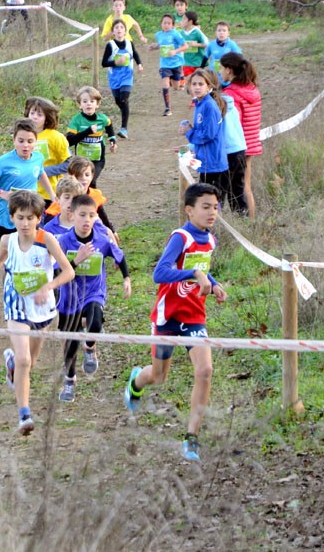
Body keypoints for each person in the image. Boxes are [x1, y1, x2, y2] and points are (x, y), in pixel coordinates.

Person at [124, 182, 228, 462]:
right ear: (189, 210)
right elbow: (160, 273)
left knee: (205, 370)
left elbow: (203, 270)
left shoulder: (211, 240)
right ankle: (136, 381)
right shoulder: (180, 237)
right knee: (158, 376)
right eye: (205, 207)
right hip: (166, 316)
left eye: (215, 208)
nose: (212, 213)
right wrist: (193, 272)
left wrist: (214, 284)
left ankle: (191, 437)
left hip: (194, 316)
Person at [0, 191, 74, 436]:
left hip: (42, 306)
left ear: (39, 218)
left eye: (30, 218)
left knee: (30, 361)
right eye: (20, 218)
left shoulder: (47, 240)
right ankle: (24, 414)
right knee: (25, 360)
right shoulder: (8, 241)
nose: (25, 223)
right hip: (15, 302)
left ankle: (11, 362)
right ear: (12, 218)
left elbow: (68, 272)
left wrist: (48, 286)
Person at [55, 194, 131, 402]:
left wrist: (126, 278)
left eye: (91, 215)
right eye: (82, 215)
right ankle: (69, 380)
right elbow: (55, 274)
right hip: (70, 298)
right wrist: (76, 261)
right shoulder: (63, 242)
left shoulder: (101, 239)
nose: (87, 220)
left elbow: (120, 255)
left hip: (93, 293)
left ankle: (90, 345)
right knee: (70, 343)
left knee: (95, 320)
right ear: (71, 216)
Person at [0, 118, 55, 243]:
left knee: (29, 254)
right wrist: (4, 195)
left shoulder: (38, 157)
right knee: (9, 258)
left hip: (30, 216)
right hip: (6, 219)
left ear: (36, 141)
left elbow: (40, 173)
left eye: (30, 141)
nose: (25, 145)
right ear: (14, 140)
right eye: (21, 141)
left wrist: (52, 194)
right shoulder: (3, 162)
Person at [220, 52, 262, 218]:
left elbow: (232, 123)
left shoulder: (231, 94)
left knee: (239, 187)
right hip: (251, 143)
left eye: (221, 68)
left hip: (237, 145)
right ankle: (251, 223)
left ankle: (248, 223)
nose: (220, 71)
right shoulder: (252, 89)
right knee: (246, 186)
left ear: (229, 70)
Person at [42, 157, 117, 239]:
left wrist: (112, 231)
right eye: (79, 175)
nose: (83, 178)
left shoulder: (95, 195)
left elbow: (102, 216)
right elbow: (48, 224)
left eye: (87, 175)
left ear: (92, 176)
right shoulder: (60, 204)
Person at [180, 69, 228, 193]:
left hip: (213, 163)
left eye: (201, 84)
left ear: (208, 86)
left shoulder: (209, 106)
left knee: (211, 201)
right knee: (204, 198)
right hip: (204, 161)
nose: (197, 87)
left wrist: (189, 132)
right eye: (194, 84)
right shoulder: (199, 104)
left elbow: (208, 134)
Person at [65, 86, 117, 187]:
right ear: (80, 105)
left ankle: (96, 202)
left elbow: (109, 125)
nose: (88, 103)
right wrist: (87, 131)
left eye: (92, 101)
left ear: (97, 104)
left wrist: (112, 140)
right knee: (81, 184)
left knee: (91, 181)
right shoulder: (76, 120)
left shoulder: (102, 119)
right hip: (81, 160)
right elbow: (70, 141)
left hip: (98, 159)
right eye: (85, 101)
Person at [23, 96, 70, 208]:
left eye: (39, 115)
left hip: (49, 192)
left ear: (47, 118)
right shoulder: (23, 135)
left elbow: (69, 164)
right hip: (27, 190)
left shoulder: (55, 137)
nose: (34, 117)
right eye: (32, 113)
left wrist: (44, 172)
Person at [101, 19, 143, 139]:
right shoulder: (110, 45)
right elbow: (104, 63)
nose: (119, 30)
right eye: (116, 28)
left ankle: (124, 128)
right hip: (114, 78)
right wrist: (115, 62)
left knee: (124, 99)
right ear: (113, 32)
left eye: (121, 28)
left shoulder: (129, 43)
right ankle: (125, 111)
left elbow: (135, 54)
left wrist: (139, 64)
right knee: (118, 101)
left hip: (127, 76)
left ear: (125, 31)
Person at [148, 15, 189, 117]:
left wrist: (175, 51)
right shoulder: (159, 35)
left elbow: (185, 46)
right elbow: (161, 44)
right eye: (164, 23)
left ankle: (177, 79)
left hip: (176, 63)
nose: (166, 25)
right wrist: (154, 47)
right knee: (165, 83)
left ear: (173, 25)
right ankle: (167, 108)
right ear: (161, 24)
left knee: (176, 87)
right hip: (164, 64)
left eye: (169, 23)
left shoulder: (175, 34)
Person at [219, 84, 249, 216]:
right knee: (237, 190)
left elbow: (211, 133)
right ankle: (243, 221)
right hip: (239, 149)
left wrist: (191, 146)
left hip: (226, 152)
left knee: (218, 191)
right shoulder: (231, 104)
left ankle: (213, 227)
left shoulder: (213, 107)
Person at [179, 11, 209, 81]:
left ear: (190, 21)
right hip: (186, 62)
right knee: (189, 80)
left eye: (184, 19)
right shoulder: (181, 33)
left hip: (197, 62)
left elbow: (207, 43)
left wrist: (196, 44)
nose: (181, 21)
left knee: (197, 80)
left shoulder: (197, 32)